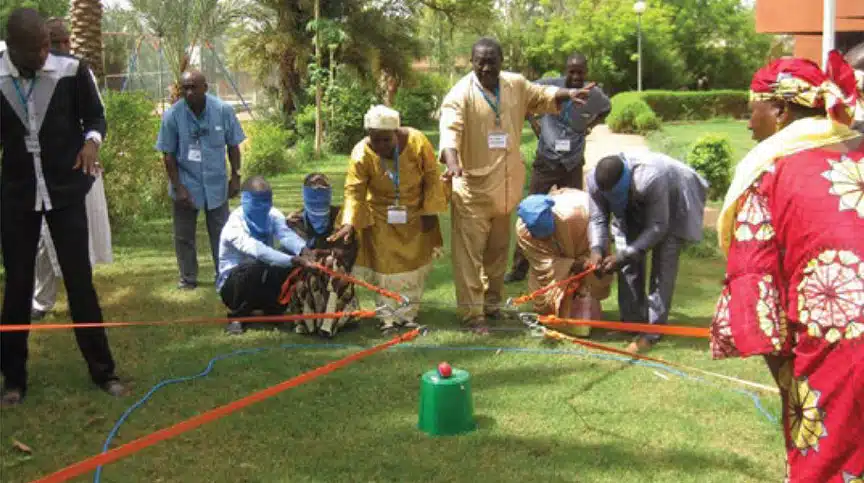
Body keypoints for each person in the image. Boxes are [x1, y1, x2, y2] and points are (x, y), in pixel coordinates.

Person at [710, 54, 863, 483]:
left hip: (840, 351)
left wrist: (794, 389)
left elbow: (756, 302)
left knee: (828, 464)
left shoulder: (769, 174)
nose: (748, 123)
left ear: (780, 109)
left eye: (751, 109)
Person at [0, 8, 124, 405]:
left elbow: (96, 117)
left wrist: (91, 142)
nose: (44, 54)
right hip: (19, 198)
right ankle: (14, 381)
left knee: (80, 282)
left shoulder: (72, 71)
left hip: (65, 193)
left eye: (45, 45)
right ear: (12, 49)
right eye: (35, 49)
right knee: (17, 288)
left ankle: (104, 372)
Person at [438, 37, 596, 333]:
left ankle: (492, 304)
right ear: (471, 61)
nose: (486, 67)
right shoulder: (459, 95)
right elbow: (449, 133)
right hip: (471, 190)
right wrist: (453, 162)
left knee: (497, 253)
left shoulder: (514, 84)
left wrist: (568, 93)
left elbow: (541, 94)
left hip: (505, 190)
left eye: (492, 61)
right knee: (469, 258)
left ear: (501, 61)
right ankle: (473, 316)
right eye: (480, 61)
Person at [330, 105, 447, 334]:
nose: (381, 146)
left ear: (397, 132)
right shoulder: (361, 153)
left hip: (414, 214)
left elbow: (432, 178)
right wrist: (348, 223)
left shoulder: (417, 142)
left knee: (413, 267)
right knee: (386, 270)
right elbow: (354, 191)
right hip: (381, 216)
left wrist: (430, 212)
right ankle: (387, 319)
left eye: (386, 140)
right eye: (375, 140)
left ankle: (408, 315)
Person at [30, 16, 113, 321]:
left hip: (79, 170)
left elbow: (96, 117)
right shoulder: (27, 75)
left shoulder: (80, 72)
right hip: (40, 176)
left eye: (67, 41)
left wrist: (92, 144)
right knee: (41, 240)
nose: (65, 47)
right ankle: (42, 300)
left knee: (81, 234)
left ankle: (82, 296)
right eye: (57, 41)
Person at [587, 150, 708, 353]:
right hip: (637, 203)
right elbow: (598, 218)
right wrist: (597, 249)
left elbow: (658, 226)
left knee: (663, 264)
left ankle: (652, 331)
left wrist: (625, 254)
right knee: (626, 261)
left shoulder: (649, 177)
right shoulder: (594, 182)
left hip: (675, 194)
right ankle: (632, 323)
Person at [506, 52, 611, 283]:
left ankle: (570, 267)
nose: (575, 76)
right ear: (565, 70)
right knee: (530, 213)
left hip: (572, 164)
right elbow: (525, 95)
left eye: (579, 72)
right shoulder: (549, 85)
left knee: (574, 216)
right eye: (571, 71)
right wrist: (534, 123)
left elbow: (606, 108)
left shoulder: (594, 94)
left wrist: (589, 126)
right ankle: (519, 268)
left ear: (586, 72)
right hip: (546, 161)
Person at [156, 70, 246, 290]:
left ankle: (224, 273)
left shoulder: (223, 111)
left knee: (222, 233)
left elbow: (233, 145)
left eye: (193, 87)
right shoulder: (172, 116)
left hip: (216, 185)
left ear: (205, 87)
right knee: (184, 235)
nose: (189, 92)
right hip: (187, 183)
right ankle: (188, 278)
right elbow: (168, 155)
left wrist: (235, 176)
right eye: (185, 87)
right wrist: (179, 187)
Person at [218, 176, 315, 335]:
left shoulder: (273, 214)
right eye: (258, 202)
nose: (263, 207)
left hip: (262, 278)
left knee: (286, 255)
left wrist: (304, 250)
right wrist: (294, 260)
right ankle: (237, 316)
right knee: (256, 264)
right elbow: (258, 250)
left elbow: (286, 235)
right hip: (234, 286)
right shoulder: (234, 225)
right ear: (245, 200)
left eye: (266, 201)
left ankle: (273, 309)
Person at [515, 189, 613, 337]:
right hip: (555, 263)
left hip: (582, 237)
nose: (546, 238)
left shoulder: (578, 216)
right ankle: (558, 312)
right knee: (546, 295)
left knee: (589, 278)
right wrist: (574, 265)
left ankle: (583, 313)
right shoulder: (523, 232)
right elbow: (543, 263)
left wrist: (591, 260)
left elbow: (597, 241)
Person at [284, 173, 360, 338]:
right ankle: (309, 323)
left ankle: (328, 324)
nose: (318, 194)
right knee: (309, 277)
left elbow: (348, 254)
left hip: (335, 274)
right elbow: (290, 255)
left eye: (322, 189)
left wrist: (322, 254)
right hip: (305, 275)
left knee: (332, 266)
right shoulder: (296, 221)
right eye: (313, 190)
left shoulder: (340, 218)